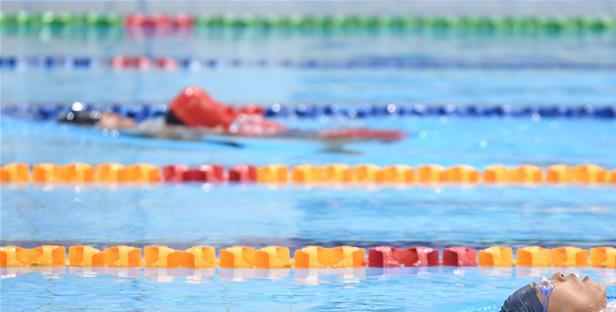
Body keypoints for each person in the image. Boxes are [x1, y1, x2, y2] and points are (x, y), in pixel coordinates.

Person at [57, 86, 406, 152]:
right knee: (305, 135)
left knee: (305, 136)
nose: (113, 115)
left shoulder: (150, 127)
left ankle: (363, 137)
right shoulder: (149, 129)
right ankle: (370, 136)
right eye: (104, 117)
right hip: (209, 122)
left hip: (211, 122)